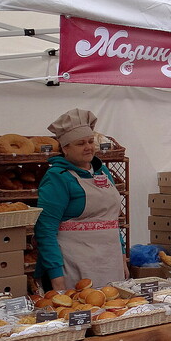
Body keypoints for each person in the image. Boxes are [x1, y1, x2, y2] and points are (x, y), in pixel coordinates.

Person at [33, 108, 128, 291]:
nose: (88, 147)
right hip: (75, 265)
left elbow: (112, 220)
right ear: (65, 148)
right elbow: (45, 230)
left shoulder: (102, 171)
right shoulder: (57, 177)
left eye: (91, 141)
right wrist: (56, 277)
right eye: (80, 143)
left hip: (110, 261)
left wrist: (122, 257)